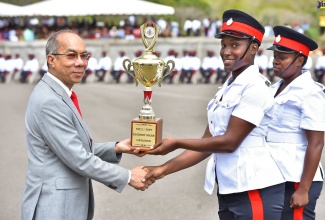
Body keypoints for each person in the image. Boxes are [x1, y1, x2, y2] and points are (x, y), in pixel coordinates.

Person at [142, 9, 285, 220]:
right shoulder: (228, 87)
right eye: (224, 45)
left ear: (254, 48)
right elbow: (207, 144)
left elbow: (229, 142)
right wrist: (161, 170)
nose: (226, 51)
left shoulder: (255, 87)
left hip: (255, 189)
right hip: (230, 188)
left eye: (235, 45)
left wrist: (177, 142)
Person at [21, 30, 153, 220]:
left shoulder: (57, 93)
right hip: (55, 206)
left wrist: (116, 147)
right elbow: (78, 158)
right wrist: (128, 176)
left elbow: (67, 149)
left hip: (62, 203)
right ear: (51, 60)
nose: (80, 62)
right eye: (71, 55)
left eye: (85, 56)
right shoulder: (50, 101)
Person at [266, 26, 325, 220]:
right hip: (274, 175)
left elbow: (316, 143)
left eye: (282, 58)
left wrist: (304, 189)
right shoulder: (274, 88)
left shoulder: (311, 92)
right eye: (275, 56)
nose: (276, 61)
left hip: (297, 179)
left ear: (300, 60)